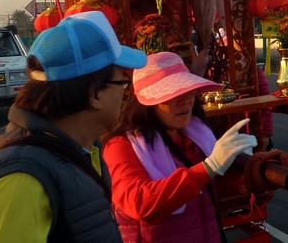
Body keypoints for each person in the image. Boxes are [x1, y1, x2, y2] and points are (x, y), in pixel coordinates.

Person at [0, 10, 148, 242]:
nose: (126, 94)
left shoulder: (81, 150)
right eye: (123, 83)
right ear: (94, 94)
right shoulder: (21, 181)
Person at [102, 51, 257, 242]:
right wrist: (209, 167)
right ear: (148, 103)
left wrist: (258, 170)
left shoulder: (197, 135)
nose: (185, 101)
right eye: (172, 94)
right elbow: (139, 202)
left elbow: (215, 188)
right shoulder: (122, 146)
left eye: (188, 91)